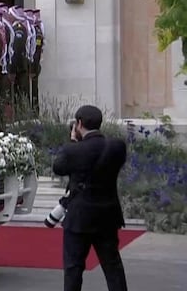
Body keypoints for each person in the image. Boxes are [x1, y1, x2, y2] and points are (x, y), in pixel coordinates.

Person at [53, 105, 128, 291]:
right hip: (108, 215)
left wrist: (72, 142)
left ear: (78, 124)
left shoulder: (74, 151)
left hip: (79, 217)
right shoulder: (117, 147)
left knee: (73, 268)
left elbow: (58, 168)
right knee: (113, 267)